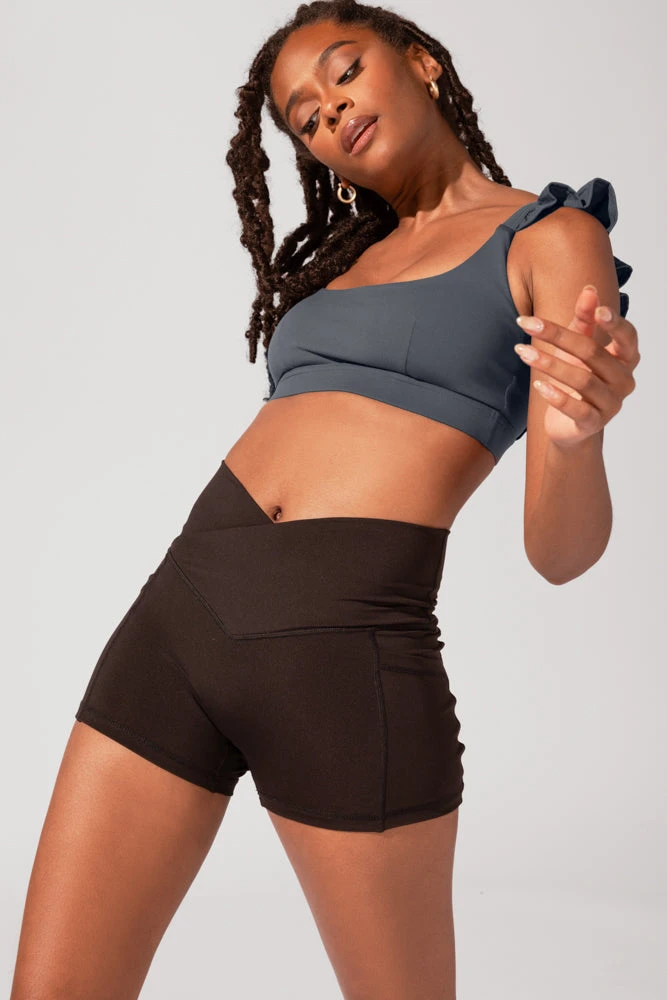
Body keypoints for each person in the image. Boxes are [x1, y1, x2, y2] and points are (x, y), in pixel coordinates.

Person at [10, 2, 639, 998]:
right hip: (176, 626)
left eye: (343, 72)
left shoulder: (548, 237)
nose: (328, 110)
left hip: (343, 661)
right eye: (304, 117)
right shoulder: (340, 263)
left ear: (422, 63)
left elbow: (561, 554)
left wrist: (574, 436)